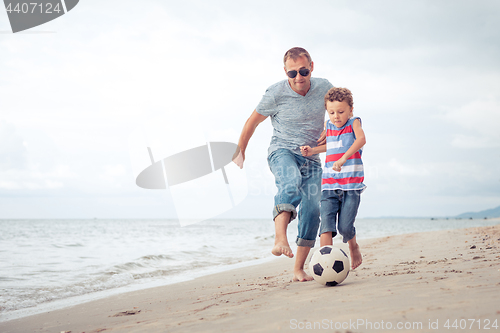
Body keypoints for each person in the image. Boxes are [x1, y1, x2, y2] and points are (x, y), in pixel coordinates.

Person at [234, 47, 333, 282]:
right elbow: (251, 122)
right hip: (282, 151)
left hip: (312, 158)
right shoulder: (275, 93)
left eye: (303, 71)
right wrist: (241, 151)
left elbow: (343, 112)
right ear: (285, 72)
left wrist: (331, 126)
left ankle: (299, 268)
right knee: (290, 182)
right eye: (292, 73)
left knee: (312, 208)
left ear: (311, 67)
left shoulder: (325, 87)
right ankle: (280, 238)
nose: (298, 77)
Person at [300, 87, 365, 269]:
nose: (336, 116)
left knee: (345, 227)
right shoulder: (329, 126)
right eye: (331, 112)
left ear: (351, 110)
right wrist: (312, 150)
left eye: (341, 112)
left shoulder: (354, 124)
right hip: (329, 186)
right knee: (326, 225)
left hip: (351, 187)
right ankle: (326, 264)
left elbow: (361, 140)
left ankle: (353, 246)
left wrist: (343, 158)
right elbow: (331, 146)